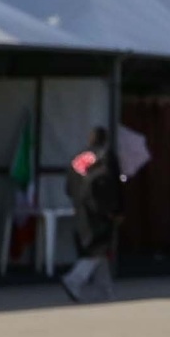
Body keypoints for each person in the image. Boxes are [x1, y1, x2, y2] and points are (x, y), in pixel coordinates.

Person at [62, 127, 121, 304]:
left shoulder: (77, 158)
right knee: (97, 247)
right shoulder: (106, 156)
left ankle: (105, 291)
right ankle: (74, 279)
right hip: (99, 210)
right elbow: (114, 185)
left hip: (80, 208)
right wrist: (117, 210)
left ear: (90, 139)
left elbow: (68, 187)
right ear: (105, 140)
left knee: (98, 249)